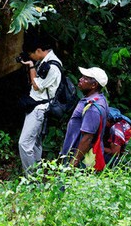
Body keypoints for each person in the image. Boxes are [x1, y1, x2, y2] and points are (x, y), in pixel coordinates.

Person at [18, 41, 63, 174]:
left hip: (39, 109)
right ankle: (37, 177)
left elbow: (37, 85)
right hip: (37, 107)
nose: (31, 57)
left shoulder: (53, 66)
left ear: (38, 50)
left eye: (31, 54)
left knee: (24, 144)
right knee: (35, 144)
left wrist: (31, 66)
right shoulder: (45, 61)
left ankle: (31, 180)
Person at [60, 67, 109, 170]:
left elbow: (88, 137)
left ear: (94, 85)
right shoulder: (99, 99)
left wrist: (74, 161)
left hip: (80, 158)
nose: (80, 79)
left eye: (85, 78)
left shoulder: (92, 108)